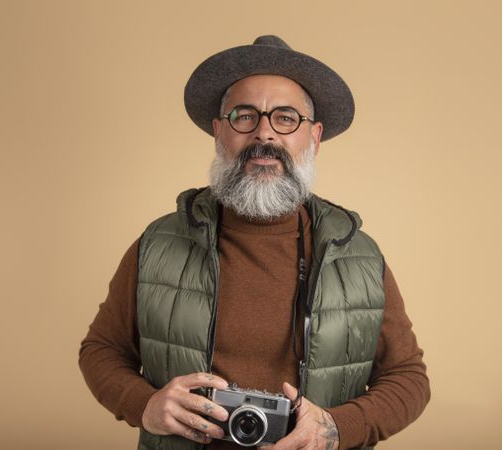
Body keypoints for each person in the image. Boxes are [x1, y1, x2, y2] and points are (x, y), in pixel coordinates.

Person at [79, 35, 430, 450]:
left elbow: (409, 378)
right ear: (219, 131)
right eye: (244, 116)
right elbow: (101, 350)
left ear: (313, 136)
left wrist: (335, 429)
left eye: (286, 118)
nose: (264, 134)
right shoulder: (158, 244)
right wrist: (144, 404)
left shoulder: (358, 256)